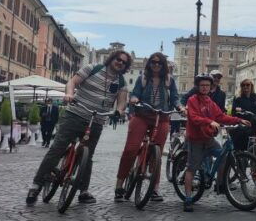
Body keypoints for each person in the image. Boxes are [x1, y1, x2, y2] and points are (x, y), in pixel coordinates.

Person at [26, 51, 131, 205]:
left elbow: (122, 102)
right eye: (118, 59)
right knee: (57, 149)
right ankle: (36, 185)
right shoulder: (93, 68)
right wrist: (69, 94)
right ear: (111, 59)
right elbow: (72, 82)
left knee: (87, 156)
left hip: (96, 121)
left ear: (126, 66)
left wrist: (119, 111)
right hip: (75, 115)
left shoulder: (121, 83)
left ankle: (83, 191)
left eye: (124, 62)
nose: (120, 62)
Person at [114, 52, 181, 202]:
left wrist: (180, 106)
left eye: (159, 63)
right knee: (130, 150)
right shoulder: (143, 78)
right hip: (142, 116)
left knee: (156, 154)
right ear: (149, 64)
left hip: (161, 117)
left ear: (163, 65)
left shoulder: (169, 80)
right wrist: (134, 98)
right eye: (153, 62)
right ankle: (119, 185)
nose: (156, 65)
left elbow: (175, 98)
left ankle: (154, 189)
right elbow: (135, 93)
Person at [182, 74, 250, 212]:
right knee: (191, 169)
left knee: (223, 156)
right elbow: (194, 118)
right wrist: (210, 121)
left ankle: (219, 184)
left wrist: (238, 120)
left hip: (209, 139)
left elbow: (221, 116)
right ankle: (188, 199)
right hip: (196, 140)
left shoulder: (209, 101)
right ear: (197, 86)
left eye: (207, 85)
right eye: (202, 85)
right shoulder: (192, 100)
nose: (205, 88)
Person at [230, 79, 256, 151]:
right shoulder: (238, 98)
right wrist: (240, 112)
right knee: (240, 137)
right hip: (242, 122)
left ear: (251, 86)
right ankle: (239, 153)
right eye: (243, 85)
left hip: (254, 123)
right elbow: (234, 111)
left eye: (247, 85)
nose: (245, 86)